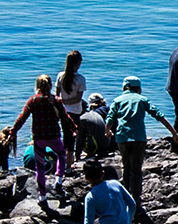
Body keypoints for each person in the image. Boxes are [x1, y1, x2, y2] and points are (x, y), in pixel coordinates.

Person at [105, 76, 175, 224]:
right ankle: (135, 203)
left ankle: (123, 199)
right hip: (138, 138)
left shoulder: (117, 100)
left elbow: (110, 118)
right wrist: (174, 133)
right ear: (138, 88)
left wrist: (108, 131)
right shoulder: (142, 99)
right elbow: (158, 115)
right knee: (137, 170)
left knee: (125, 168)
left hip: (122, 138)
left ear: (125, 87)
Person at [9, 74, 72, 204]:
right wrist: (75, 128)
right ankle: (58, 180)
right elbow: (65, 117)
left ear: (37, 86)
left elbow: (22, 118)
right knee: (61, 154)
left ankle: (42, 196)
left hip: (38, 138)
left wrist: (13, 132)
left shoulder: (33, 100)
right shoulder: (56, 100)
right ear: (50, 86)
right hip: (54, 135)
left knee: (40, 168)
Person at [54, 50, 87, 151]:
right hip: (75, 111)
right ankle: (68, 161)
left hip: (62, 110)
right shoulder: (80, 79)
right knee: (72, 136)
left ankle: (63, 157)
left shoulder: (60, 76)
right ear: (78, 63)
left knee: (65, 134)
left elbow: (56, 95)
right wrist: (66, 102)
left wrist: (61, 104)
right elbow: (78, 99)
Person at [76, 93, 112, 159]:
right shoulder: (108, 110)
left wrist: (77, 155)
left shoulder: (83, 118)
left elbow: (80, 139)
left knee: (83, 134)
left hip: (98, 148)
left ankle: (88, 152)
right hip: (109, 145)